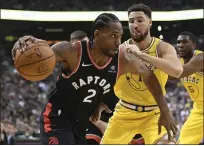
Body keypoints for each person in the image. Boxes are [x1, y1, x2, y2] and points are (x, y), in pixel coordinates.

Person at [12, 13, 176, 145]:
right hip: (57, 119)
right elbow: (40, 54)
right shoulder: (72, 52)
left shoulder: (123, 59)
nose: (118, 41)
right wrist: (23, 46)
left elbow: (148, 74)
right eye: (113, 36)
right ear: (96, 35)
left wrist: (165, 110)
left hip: (80, 123)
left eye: (120, 36)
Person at [101, 3, 180, 144]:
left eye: (139, 20)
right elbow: (106, 78)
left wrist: (142, 55)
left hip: (154, 112)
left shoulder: (162, 48)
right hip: (125, 111)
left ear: (150, 22)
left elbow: (177, 70)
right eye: (131, 21)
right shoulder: (120, 50)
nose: (134, 25)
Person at [175, 31, 203, 144]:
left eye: (185, 42)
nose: (181, 45)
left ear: (194, 45)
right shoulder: (178, 60)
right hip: (199, 108)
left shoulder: (200, 58)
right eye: (178, 42)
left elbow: (176, 74)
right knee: (184, 141)